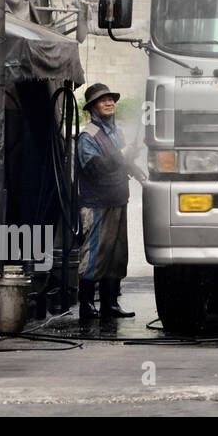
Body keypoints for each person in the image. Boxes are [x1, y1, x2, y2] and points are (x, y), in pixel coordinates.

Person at [75, 83, 144, 322]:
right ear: (92, 107)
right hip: (97, 204)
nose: (109, 103)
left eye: (110, 99)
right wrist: (121, 156)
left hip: (118, 200)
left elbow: (122, 164)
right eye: (102, 100)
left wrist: (137, 169)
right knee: (94, 256)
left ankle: (110, 304)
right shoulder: (87, 136)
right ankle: (86, 306)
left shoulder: (117, 133)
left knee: (116, 256)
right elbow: (95, 167)